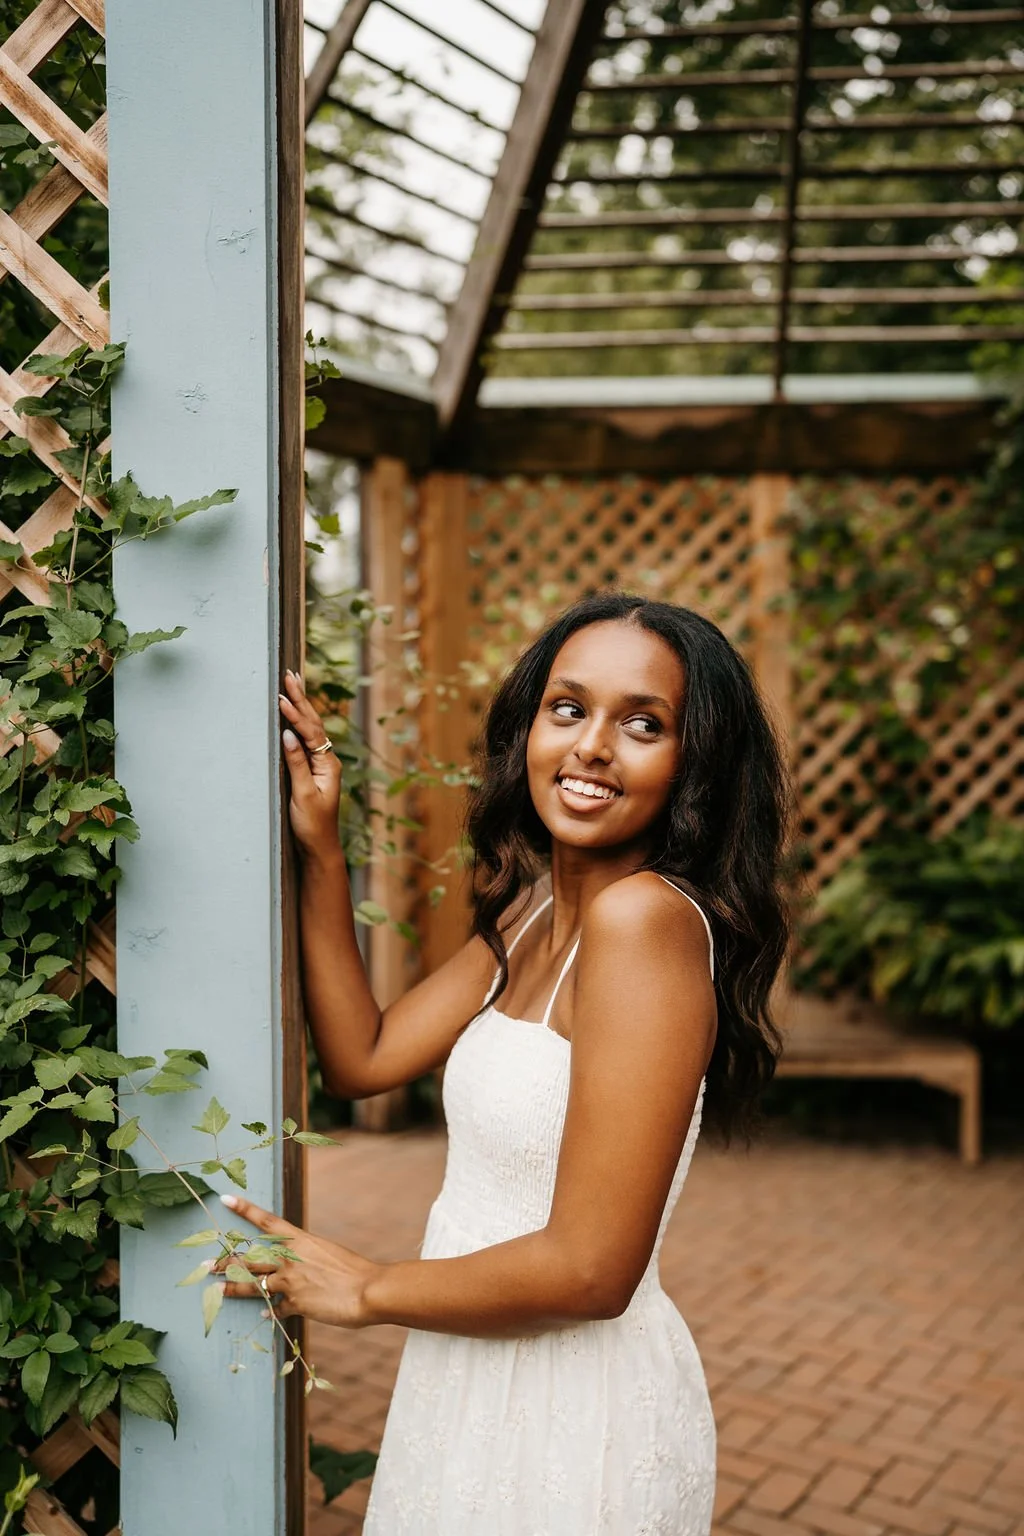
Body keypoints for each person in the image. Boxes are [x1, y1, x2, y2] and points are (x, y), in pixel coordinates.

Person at [219, 591, 790, 1535]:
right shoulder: (534, 915)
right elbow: (366, 1057)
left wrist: (364, 1287)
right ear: (530, 725)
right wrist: (322, 851)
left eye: (643, 724)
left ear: (695, 766)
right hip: (471, 1369)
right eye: (569, 709)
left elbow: (594, 1268)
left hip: (574, 1409)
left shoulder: (641, 922)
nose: (592, 746)